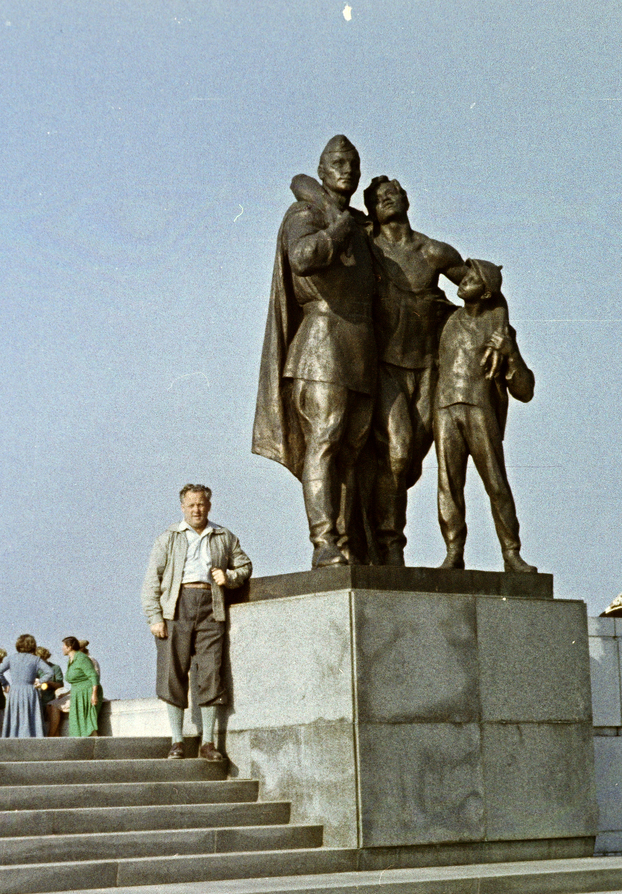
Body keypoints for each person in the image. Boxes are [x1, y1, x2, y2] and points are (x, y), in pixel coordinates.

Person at [252, 135, 378, 568]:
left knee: (353, 451)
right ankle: (324, 541)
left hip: (361, 347)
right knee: (324, 442)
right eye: (338, 162)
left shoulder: (359, 226)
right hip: (320, 344)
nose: (347, 169)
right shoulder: (305, 214)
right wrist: (339, 225)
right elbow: (303, 257)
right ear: (322, 171)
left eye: (353, 163)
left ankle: (349, 542)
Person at [362, 175, 466, 565]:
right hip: (386, 367)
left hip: (429, 368)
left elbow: (481, 288)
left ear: (406, 198)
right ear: (372, 210)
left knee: (410, 463)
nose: (388, 199)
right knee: (399, 452)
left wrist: (494, 329)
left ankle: (382, 532)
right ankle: (391, 546)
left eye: (393, 193)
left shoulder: (433, 251)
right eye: (379, 198)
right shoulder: (369, 250)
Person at [433, 259, 537, 573]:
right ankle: (453, 551)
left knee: (495, 482)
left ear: (487, 292)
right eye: (466, 274)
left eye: (474, 277)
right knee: (448, 484)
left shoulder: (501, 333)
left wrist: (510, 354)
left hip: (480, 408)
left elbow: (525, 390)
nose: (465, 280)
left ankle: (511, 553)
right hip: (445, 407)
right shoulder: (447, 319)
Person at [143, 483, 253, 762]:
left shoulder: (224, 536)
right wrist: (155, 617)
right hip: (176, 607)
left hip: (211, 606)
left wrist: (228, 577)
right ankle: (177, 742)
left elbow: (245, 566)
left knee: (211, 672)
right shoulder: (168, 537)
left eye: (201, 504)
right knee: (172, 672)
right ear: (182, 507)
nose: (196, 509)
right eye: (191, 505)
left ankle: (208, 742)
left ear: (209, 506)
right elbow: (151, 582)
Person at [0, 635, 53, 738]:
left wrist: (5, 684)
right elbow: (50, 672)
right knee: (31, 715)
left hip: (15, 690)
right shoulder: (36, 659)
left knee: (15, 715)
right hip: (30, 690)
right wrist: (40, 682)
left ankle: (13, 736)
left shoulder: (11, 658)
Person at [61, 636, 101, 739]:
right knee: (77, 722)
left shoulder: (82, 658)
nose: (62, 648)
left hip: (87, 692)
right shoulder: (71, 660)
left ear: (69, 647)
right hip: (77, 693)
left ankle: (96, 747)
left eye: (64, 646)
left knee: (88, 722)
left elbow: (93, 676)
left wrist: (94, 694)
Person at [35, 645, 64, 737]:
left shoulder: (55, 668)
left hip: (50, 700)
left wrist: (47, 683)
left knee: (54, 723)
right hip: (37, 701)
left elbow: (60, 684)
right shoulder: (34, 669)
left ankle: (51, 739)